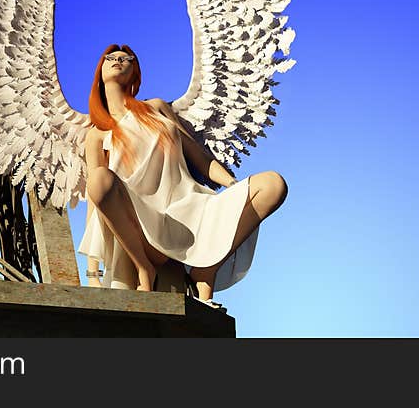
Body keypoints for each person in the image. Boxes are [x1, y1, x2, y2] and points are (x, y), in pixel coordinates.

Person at [77, 43, 288, 306]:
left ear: (136, 72)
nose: (118, 60)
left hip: (188, 213)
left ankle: (206, 269)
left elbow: (200, 157)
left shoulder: (156, 108)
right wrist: (92, 271)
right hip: (141, 226)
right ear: (100, 69)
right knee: (98, 180)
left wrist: (234, 187)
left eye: (127, 58)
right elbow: (95, 203)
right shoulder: (97, 134)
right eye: (111, 57)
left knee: (272, 184)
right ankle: (144, 269)